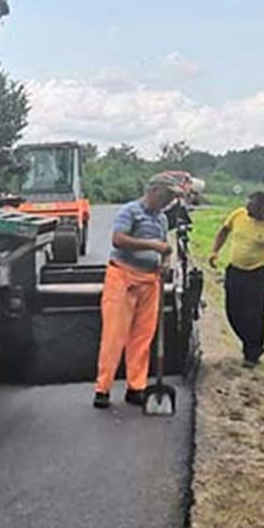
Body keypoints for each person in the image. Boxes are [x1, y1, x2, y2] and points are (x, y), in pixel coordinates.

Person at [93, 172, 184, 409]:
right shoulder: (130, 211)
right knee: (114, 336)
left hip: (150, 280)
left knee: (143, 337)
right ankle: (103, 389)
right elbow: (118, 239)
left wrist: (164, 263)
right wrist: (151, 245)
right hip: (123, 277)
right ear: (154, 191)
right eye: (168, 196)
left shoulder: (162, 219)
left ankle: (136, 387)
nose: (170, 201)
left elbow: (163, 248)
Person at [209, 191, 264, 367]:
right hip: (235, 270)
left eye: (252, 205)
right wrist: (215, 251)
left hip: (257, 274)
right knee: (233, 310)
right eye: (248, 203)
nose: (247, 207)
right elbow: (224, 231)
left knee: (254, 315)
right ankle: (249, 342)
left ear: (263, 207)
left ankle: (252, 353)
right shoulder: (239, 215)